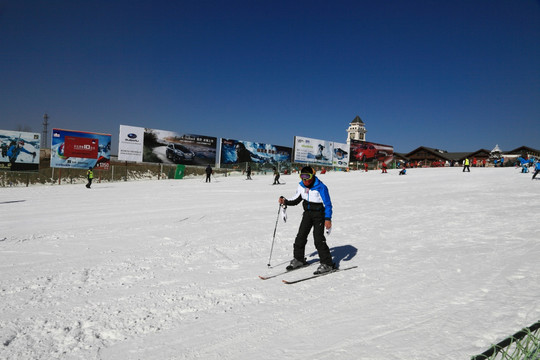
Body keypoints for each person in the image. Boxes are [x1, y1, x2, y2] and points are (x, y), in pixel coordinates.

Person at [278, 166, 334, 275]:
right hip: (307, 214)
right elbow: (296, 199)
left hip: (319, 215)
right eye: (302, 177)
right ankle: (299, 259)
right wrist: (285, 201)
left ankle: (327, 263)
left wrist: (328, 219)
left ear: (313, 176)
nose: (305, 180)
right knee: (300, 236)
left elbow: (328, 205)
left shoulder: (321, 187)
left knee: (318, 239)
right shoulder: (301, 186)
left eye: (307, 177)